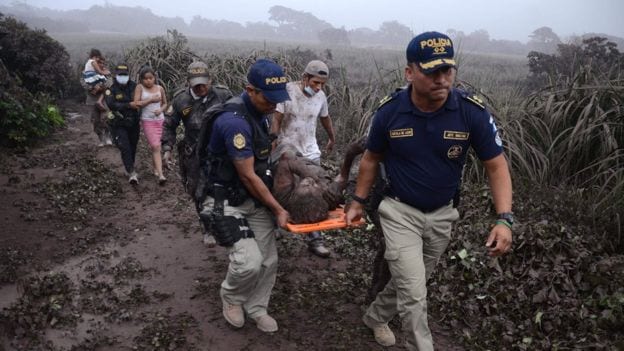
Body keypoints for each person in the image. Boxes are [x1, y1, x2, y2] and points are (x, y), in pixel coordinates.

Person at [345, 31, 513, 350]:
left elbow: (497, 165)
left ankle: (376, 316)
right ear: (410, 73)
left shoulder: (471, 113)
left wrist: (504, 219)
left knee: (413, 282)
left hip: (442, 214)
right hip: (398, 211)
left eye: (447, 70)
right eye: (431, 71)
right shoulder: (390, 112)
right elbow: (370, 159)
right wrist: (357, 201)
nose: (441, 79)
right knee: (414, 294)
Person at [197, 58, 290, 333]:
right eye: (269, 98)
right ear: (250, 90)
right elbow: (248, 175)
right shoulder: (233, 123)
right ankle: (232, 298)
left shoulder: (260, 113)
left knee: (269, 260)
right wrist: (278, 209)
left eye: (277, 99)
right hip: (226, 200)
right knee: (249, 263)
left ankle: (257, 307)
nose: (274, 105)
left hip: (253, 198)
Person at [162, 61, 233, 246]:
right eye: (196, 85)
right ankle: (207, 228)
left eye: (204, 83)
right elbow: (169, 126)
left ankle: (225, 222)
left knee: (223, 188)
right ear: (188, 83)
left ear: (210, 80)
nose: (201, 88)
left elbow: (237, 117)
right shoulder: (180, 100)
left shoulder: (223, 95)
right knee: (198, 191)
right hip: (193, 152)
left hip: (220, 151)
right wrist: (167, 149)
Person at [271, 59, 336, 258]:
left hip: (310, 151)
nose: (318, 88)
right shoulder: (287, 91)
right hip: (287, 151)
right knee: (282, 191)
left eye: (322, 84)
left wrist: (332, 137)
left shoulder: (321, 97)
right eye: (315, 83)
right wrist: (273, 143)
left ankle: (315, 239)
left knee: (313, 195)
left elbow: (325, 117)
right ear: (305, 77)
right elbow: (276, 118)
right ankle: (274, 228)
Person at [104, 64, 141, 184]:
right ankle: (131, 172)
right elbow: (111, 104)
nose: (123, 77)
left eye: (125, 74)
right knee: (124, 146)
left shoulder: (135, 86)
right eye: (120, 75)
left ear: (128, 75)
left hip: (134, 122)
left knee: (132, 146)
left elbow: (141, 99)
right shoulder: (111, 89)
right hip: (118, 123)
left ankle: (130, 166)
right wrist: (128, 105)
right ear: (116, 75)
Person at [133, 66, 167, 184]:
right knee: (155, 146)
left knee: (157, 146)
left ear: (154, 78)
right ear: (141, 79)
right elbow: (136, 103)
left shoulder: (160, 88)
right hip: (147, 121)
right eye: (145, 78)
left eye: (150, 78)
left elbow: (165, 103)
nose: (148, 81)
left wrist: (161, 110)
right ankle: (161, 175)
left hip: (160, 120)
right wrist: (150, 100)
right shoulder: (140, 88)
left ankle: (156, 168)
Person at [82, 48, 112, 147]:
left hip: (105, 101)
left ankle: (108, 136)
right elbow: (83, 83)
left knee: (107, 118)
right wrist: (92, 87)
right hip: (92, 100)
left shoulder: (107, 74)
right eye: (100, 63)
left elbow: (109, 85)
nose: (102, 65)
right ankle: (101, 138)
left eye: (103, 63)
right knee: (95, 120)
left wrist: (101, 87)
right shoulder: (87, 73)